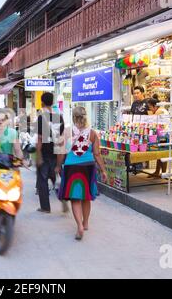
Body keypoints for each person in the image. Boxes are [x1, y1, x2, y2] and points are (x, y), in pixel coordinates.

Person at [55, 106, 107, 240]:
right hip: (89, 166)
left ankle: (79, 226)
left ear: (73, 117)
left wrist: (58, 166)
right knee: (86, 196)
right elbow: (97, 154)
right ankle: (85, 222)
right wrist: (103, 170)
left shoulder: (67, 132)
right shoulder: (93, 133)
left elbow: (61, 152)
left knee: (75, 197)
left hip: (72, 166)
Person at [36, 92, 64, 213]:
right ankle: (63, 199)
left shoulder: (42, 118)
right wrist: (59, 162)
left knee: (42, 180)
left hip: (45, 153)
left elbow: (40, 139)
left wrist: (38, 156)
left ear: (42, 103)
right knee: (55, 176)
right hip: (56, 153)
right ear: (52, 103)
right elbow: (60, 141)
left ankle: (45, 207)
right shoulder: (59, 118)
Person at [147, 95, 169, 178]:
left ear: (155, 106)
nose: (150, 109)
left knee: (163, 153)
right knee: (161, 154)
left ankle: (163, 173)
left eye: (150, 107)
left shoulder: (159, 111)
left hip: (164, 135)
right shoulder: (161, 110)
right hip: (164, 134)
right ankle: (157, 172)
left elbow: (153, 123)